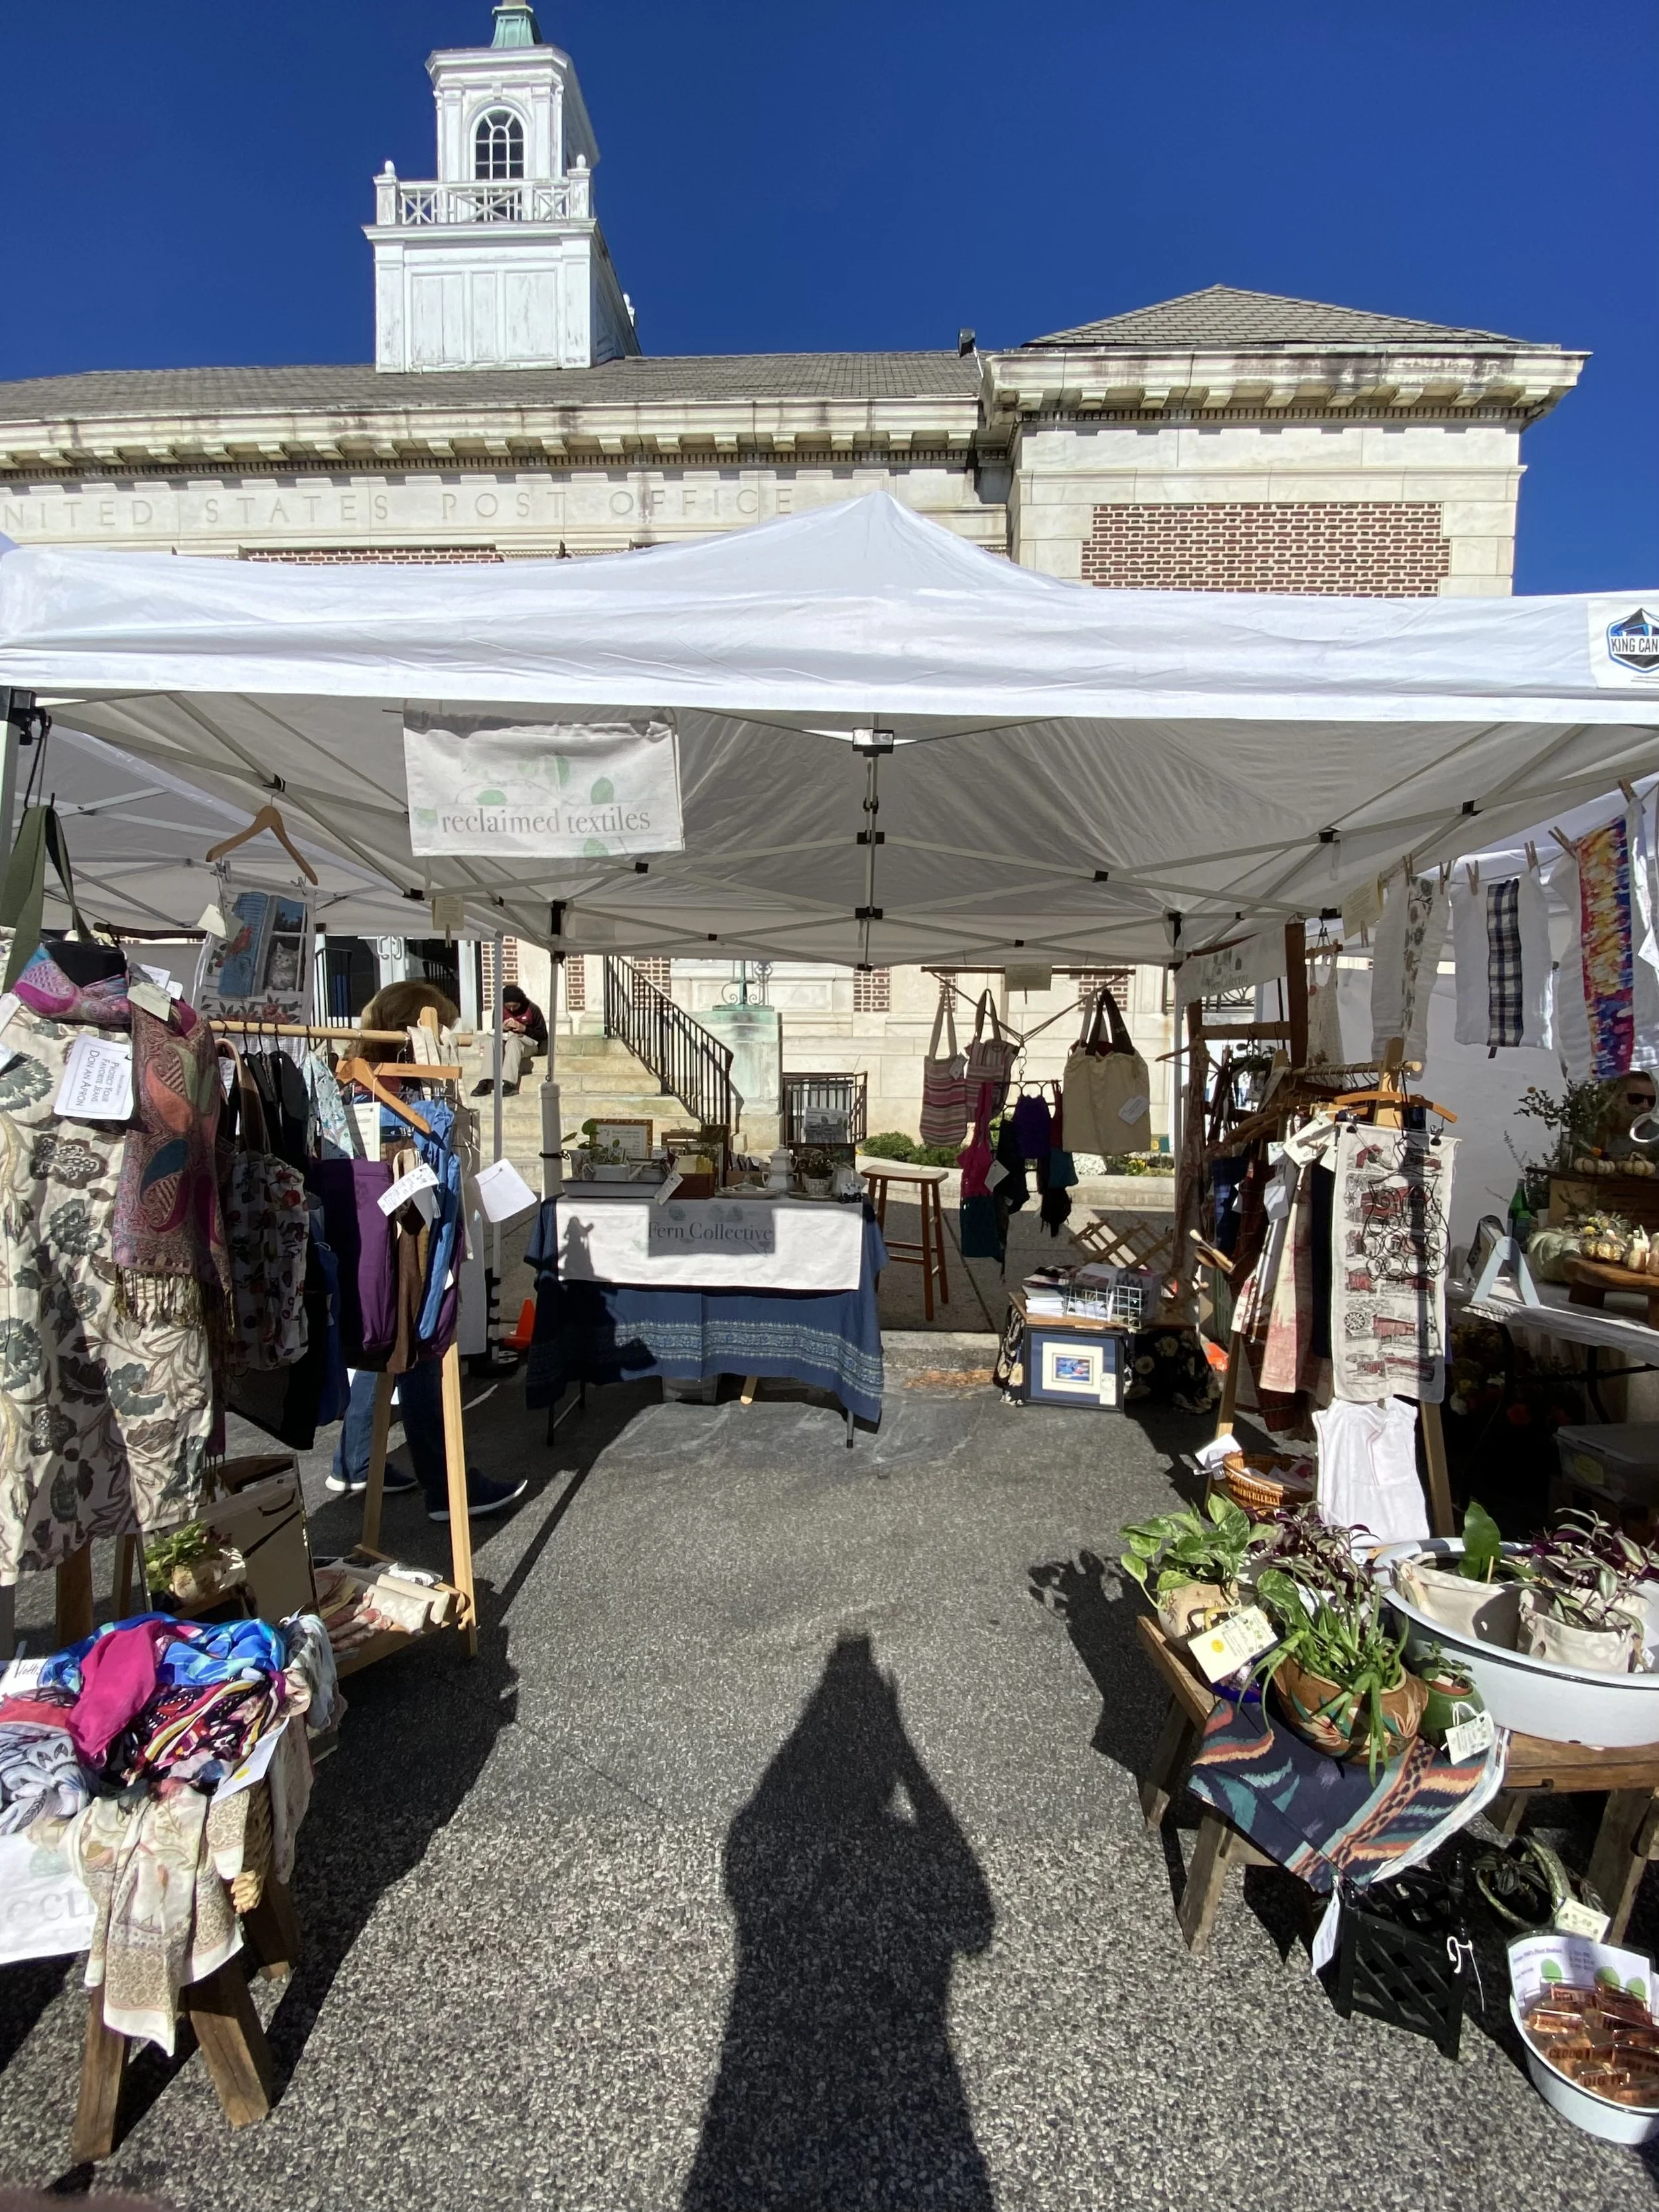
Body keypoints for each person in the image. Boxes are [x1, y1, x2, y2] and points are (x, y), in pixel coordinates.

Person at [327, 975, 526, 1521]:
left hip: (372, 1239)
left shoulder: (355, 1089)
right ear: (417, 1029)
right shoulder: (399, 1099)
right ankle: (446, 1485)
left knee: (387, 1337)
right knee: (419, 1342)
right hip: (405, 1237)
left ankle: (355, 1460)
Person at [472, 983, 547, 1097]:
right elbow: (495, 1030)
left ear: (521, 1003)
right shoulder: (499, 1009)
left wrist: (524, 1029)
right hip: (505, 1040)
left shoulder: (532, 1009)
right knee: (491, 1042)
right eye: (508, 1007)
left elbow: (542, 1035)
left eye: (515, 1006)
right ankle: (485, 1081)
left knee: (514, 1042)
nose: (512, 1009)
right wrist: (502, 1028)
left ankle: (509, 1083)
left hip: (527, 1043)